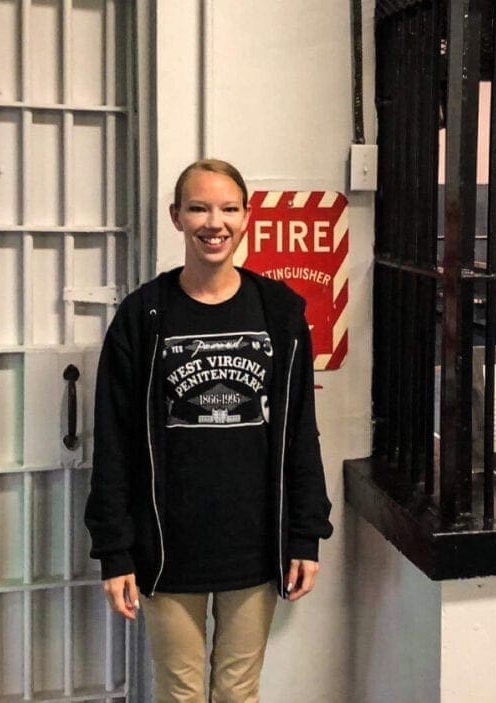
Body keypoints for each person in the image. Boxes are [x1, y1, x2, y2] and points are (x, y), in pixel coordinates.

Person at [84, 159, 332, 702]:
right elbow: (115, 441)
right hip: (167, 548)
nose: (212, 222)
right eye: (198, 207)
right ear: (176, 217)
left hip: (255, 543)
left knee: (239, 692)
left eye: (227, 208)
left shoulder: (280, 312)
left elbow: (299, 433)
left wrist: (304, 533)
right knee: (180, 694)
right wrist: (116, 551)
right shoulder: (143, 315)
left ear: (247, 218)